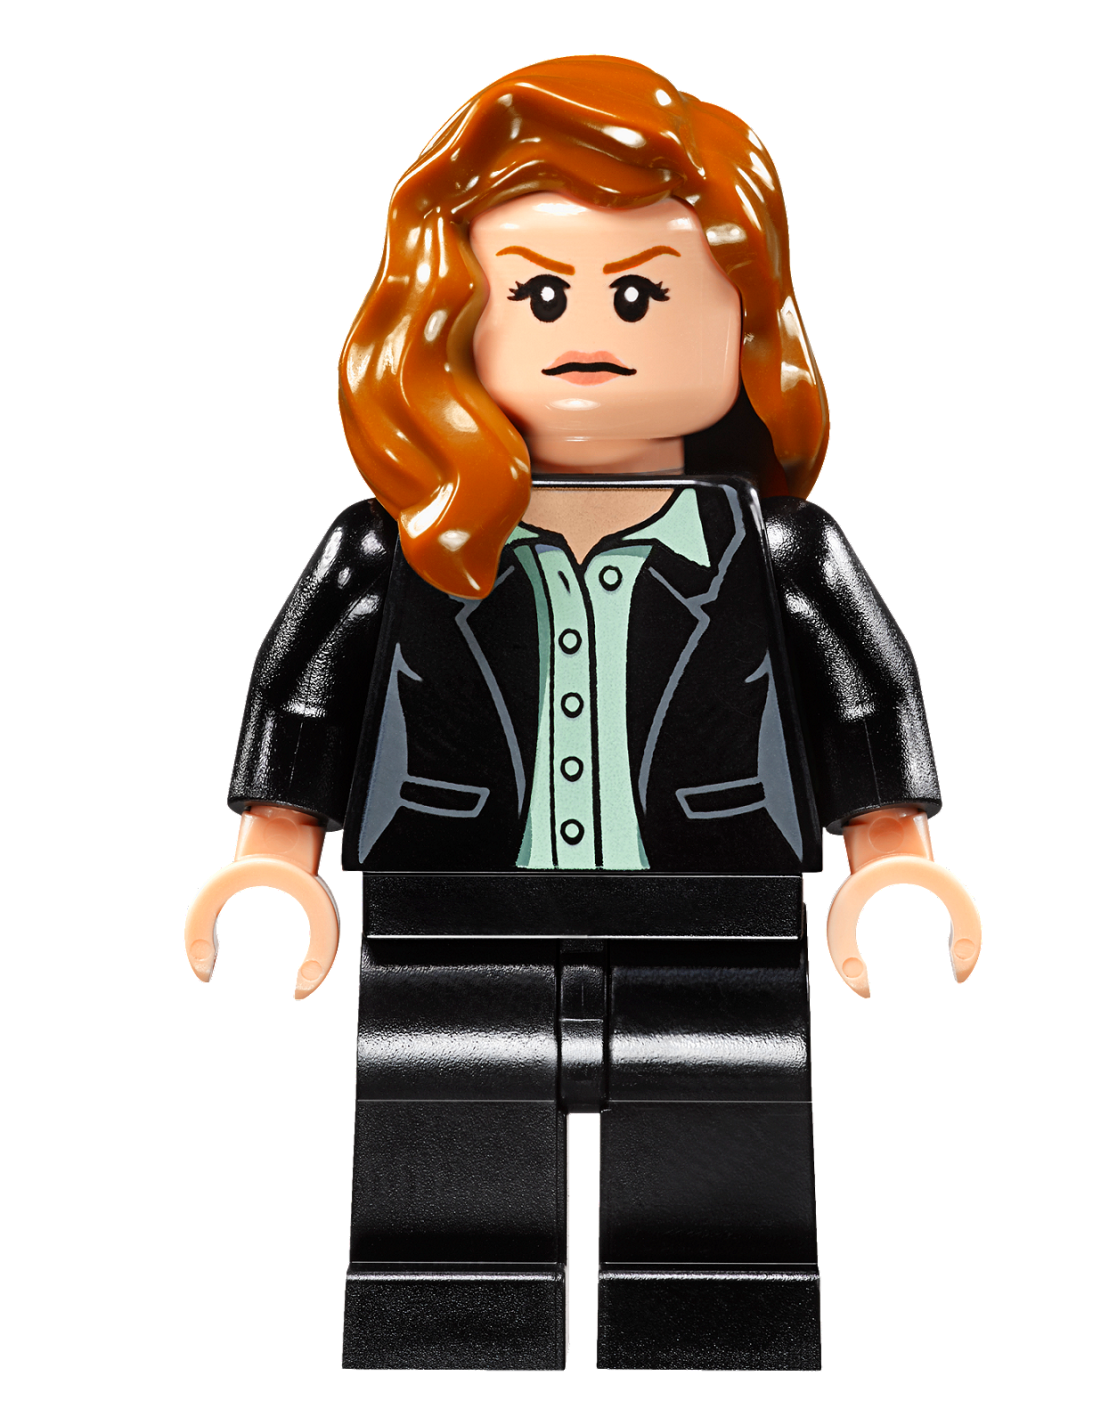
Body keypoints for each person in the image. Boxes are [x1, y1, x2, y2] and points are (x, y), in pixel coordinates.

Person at [186, 55, 979, 1371]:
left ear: (742, 325)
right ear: (452, 322)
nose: (590, 327)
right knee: (445, 1161)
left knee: (722, 1164)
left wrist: (891, 859)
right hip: (451, 909)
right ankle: (449, 1338)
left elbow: (865, 694)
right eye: (541, 294)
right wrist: (275, 859)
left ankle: (716, 1335)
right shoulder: (398, 548)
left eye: (645, 293)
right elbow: (304, 692)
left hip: (716, 908)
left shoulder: (778, 550)